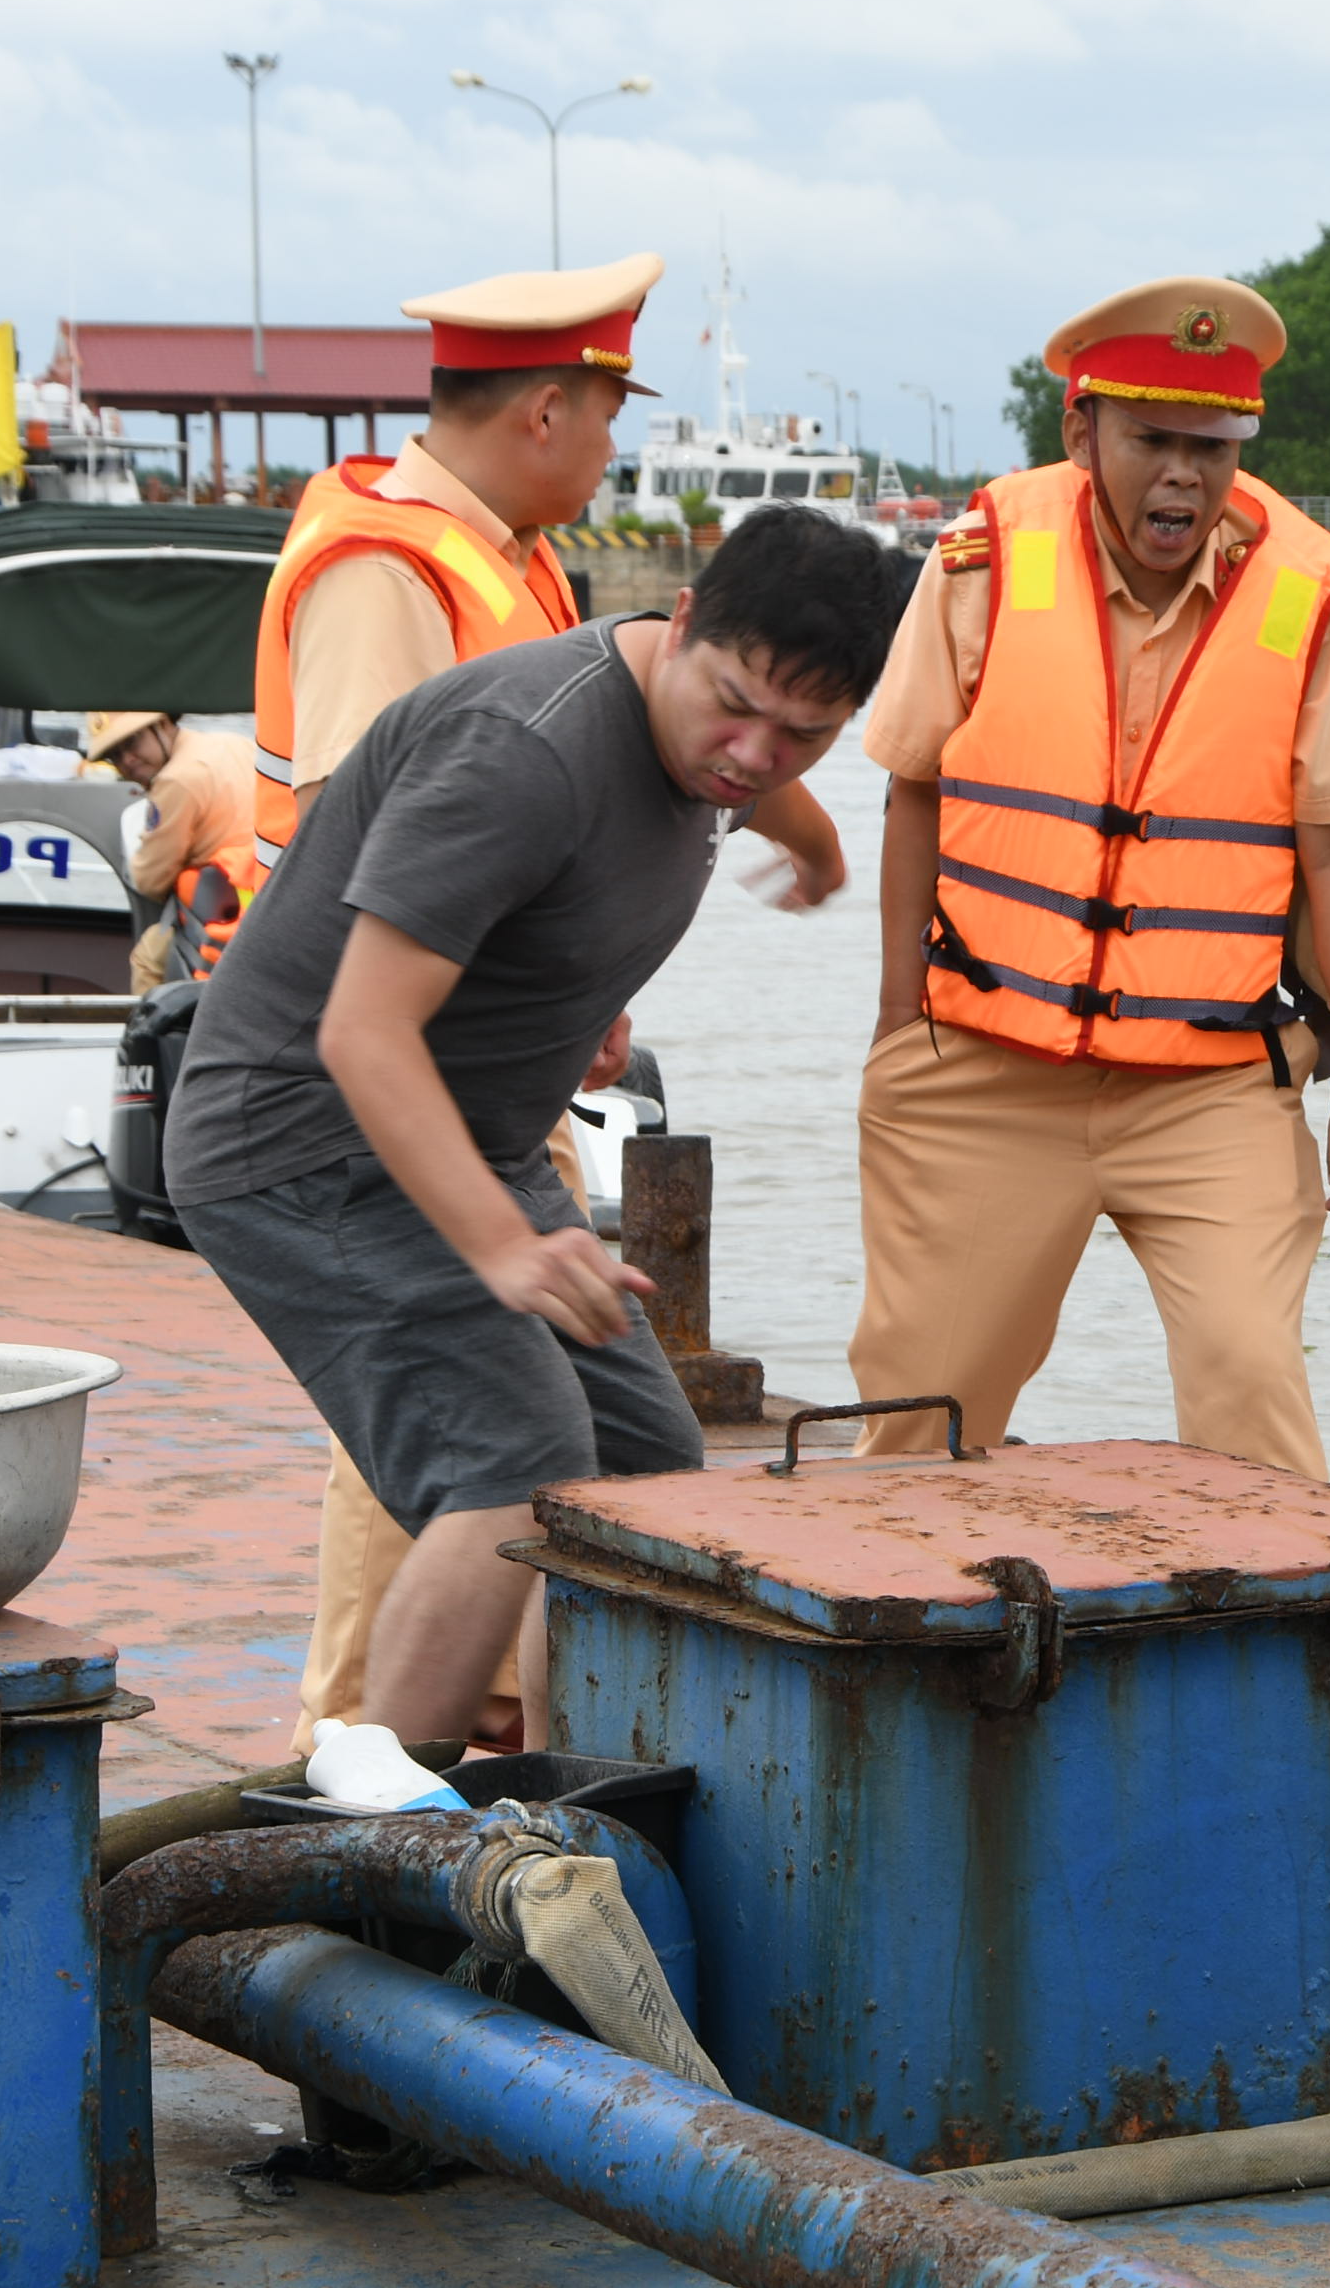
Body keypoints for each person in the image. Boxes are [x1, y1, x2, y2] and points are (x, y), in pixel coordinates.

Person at [167, 508, 896, 1751]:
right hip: (297, 1142)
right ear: (679, 623)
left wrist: (814, 841)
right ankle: (387, 1816)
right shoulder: (523, 753)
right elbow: (363, 1034)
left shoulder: (723, 751)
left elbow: (735, 786)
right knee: (512, 1464)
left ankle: (582, 1787)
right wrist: (503, 1249)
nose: (753, 755)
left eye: (806, 735)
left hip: (471, 1138)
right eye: (735, 707)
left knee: (646, 1467)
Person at [845, 279, 1330, 1476]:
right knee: (926, 1408)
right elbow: (914, 791)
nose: (1184, 479)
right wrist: (900, 1018)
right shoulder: (985, 563)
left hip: (1210, 1084)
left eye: (1214, 449)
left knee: (1251, 1378)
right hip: (987, 1061)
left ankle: (1282, 1599)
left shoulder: (1311, 595)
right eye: (1153, 441)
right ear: (1081, 431)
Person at [84, 708, 254, 987]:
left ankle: (151, 1017)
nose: (127, 760)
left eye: (132, 741)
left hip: (223, 917)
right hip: (272, 899)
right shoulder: (237, 744)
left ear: (162, 724)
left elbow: (151, 880)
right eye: (114, 755)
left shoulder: (175, 779)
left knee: (147, 957)